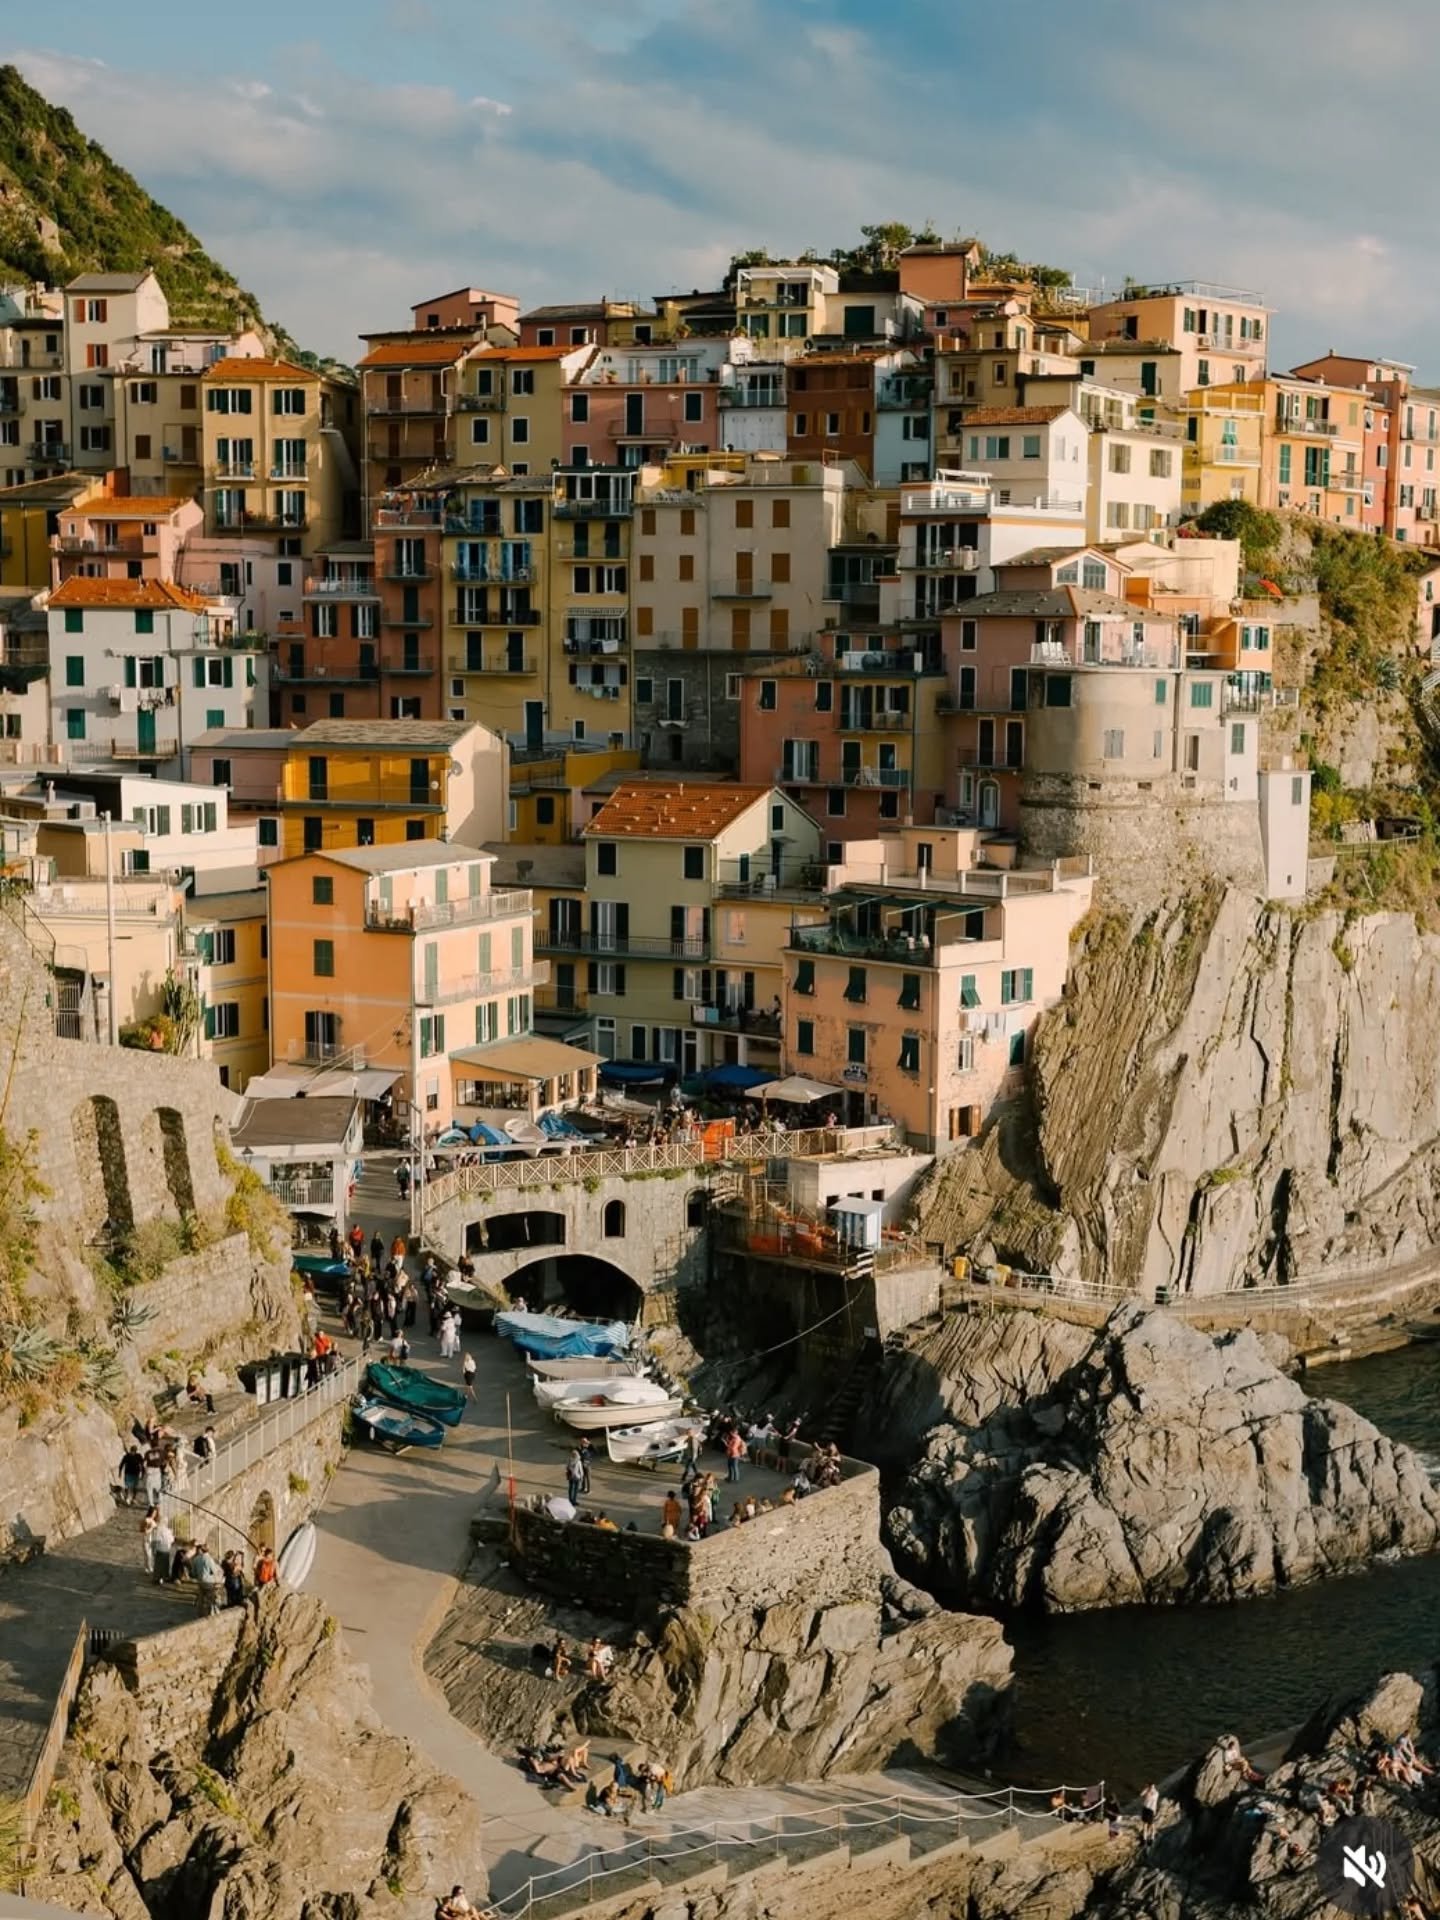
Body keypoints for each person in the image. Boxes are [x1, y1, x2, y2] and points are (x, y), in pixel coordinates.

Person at [119, 1442, 145, 1506]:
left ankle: (133, 1498)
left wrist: (143, 1473)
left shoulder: (138, 1456)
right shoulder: (127, 1456)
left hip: (135, 1474)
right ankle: (128, 1498)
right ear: (131, 1450)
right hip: (128, 1473)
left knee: (134, 1487)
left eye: (134, 1451)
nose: (133, 1452)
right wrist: (119, 1472)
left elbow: (142, 1465)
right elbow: (122, 1464)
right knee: (128, 1486)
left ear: (136, 1451)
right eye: (132, 1451)